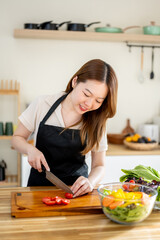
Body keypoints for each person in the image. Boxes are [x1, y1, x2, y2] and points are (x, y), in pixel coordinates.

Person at [11, 59, 118, 197]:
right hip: (38, 190)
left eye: (98, 100)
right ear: (75, 82)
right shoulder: (42, 104)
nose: (89, 104)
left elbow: (99, 166)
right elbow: (16, 138)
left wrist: (90, 182)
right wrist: (30, 150)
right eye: (86, 94)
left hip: (76, 193)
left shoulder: (98, 121)